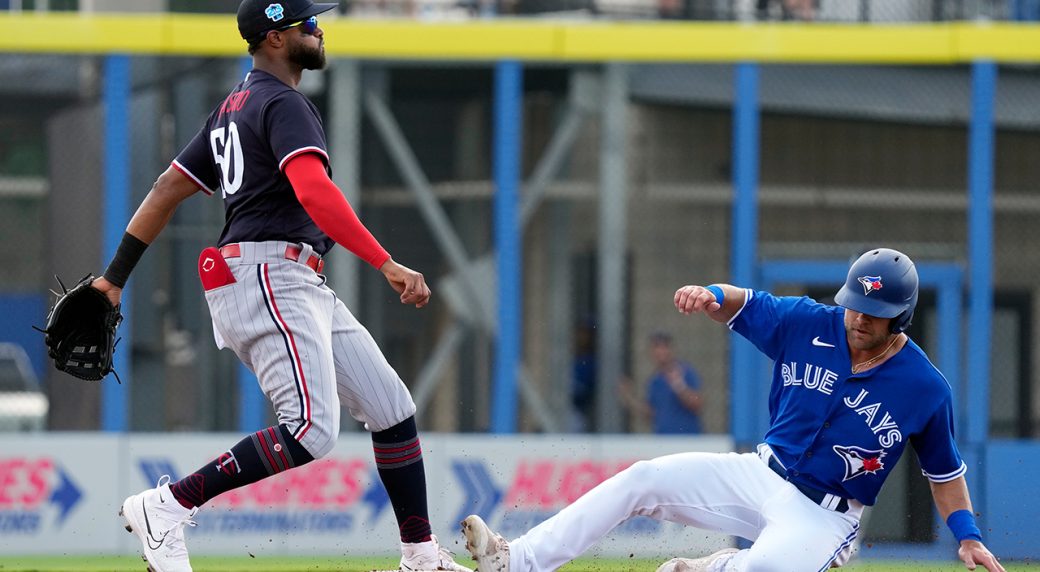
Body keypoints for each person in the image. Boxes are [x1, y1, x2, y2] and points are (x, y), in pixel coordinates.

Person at [91, 1, 471, 571]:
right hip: (269, 275)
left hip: (288, 276)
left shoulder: (232, 108)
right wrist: (385, 262)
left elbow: (167, 187)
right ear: (273, 38)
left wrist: (112, 279)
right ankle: (166, 505)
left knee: (392, 407)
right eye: (306, 23)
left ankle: (420, 557)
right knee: (312, 431)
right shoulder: (282, 102)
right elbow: (314, 193)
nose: (319, 28)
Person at [461, 248, 1004, 572]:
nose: (860, 318)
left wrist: (969, 536)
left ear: (901, 317)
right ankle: (520, 560)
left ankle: (724, 566)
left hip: (824, 514)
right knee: (644, 479)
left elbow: (944, 474)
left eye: (874, 312)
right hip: (758, 473)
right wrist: (710, 294)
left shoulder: (925, 387)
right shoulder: (809, 322)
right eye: (855, 304)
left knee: (765, 568)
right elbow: (749, 302)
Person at [620, 331, 703, 434]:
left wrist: (678, 385)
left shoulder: (685, 371)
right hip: (664, 440)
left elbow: (698, 404)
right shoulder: (655, 380)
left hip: (687, 439)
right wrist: (629, 398)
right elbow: (651, 414)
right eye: (656, 347)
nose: (661, 352)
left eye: (664, 347)